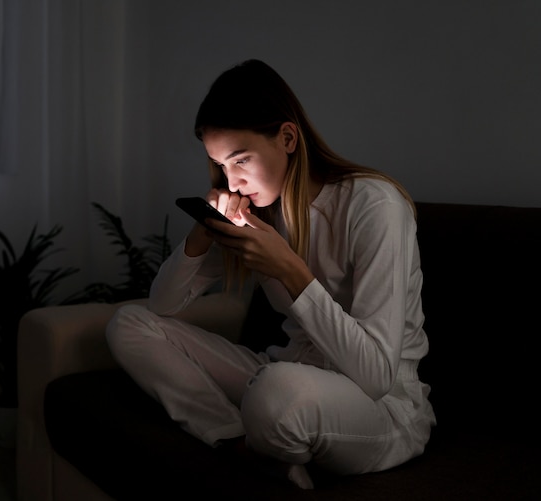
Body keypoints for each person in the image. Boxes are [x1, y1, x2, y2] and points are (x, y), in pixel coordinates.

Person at [105, 59, 436, 490]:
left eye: (241, 160)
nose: (233, 181)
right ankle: (235, 439)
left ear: (287, 137)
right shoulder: (258, 215)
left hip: (380, 407)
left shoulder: (374, 206)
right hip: (287, 377)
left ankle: (264, 435)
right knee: (129, 324)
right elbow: (162, 306)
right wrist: (203, 231)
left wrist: (289, 268)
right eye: (221, 166)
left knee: (276, 392)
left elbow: (375, 375)